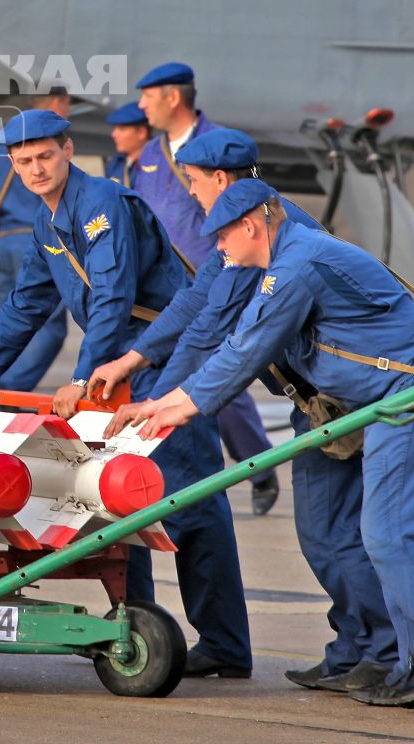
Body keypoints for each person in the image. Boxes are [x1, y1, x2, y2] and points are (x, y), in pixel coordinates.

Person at [128, 179, 414, 710]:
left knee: (395, 532)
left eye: (223, 236)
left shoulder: (294, 266)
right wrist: (167, 402)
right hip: (393, 400)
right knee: (385, 534)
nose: (220, 249)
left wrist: (172, 409)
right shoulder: (291, 256)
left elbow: (245, 348)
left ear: (251, 225)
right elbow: (229, 340)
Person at [0, 108, 255, 679]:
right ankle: (134, 627)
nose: (35, 169)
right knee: (122, 500)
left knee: (189, 500)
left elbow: (112, 297)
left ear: (66, 150)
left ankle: (226, 645)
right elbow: (27, 302)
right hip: (120, 364)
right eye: (24, 161)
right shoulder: (48, 220)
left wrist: (85, 381)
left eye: (45, 156)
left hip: (163, 357)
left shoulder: (102, 203)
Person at [96, 129, 399, 695]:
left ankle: (380, 651)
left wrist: (165, 402)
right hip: (323, 399)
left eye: (192, 181)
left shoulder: (259, 236)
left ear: (222, 181)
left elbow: (215, 333)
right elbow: (194, 299)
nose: (190, 193)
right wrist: (133, 358)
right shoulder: (257, 224)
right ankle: (356, 648)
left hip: (340, 400)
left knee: (333, 534)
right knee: (328, 533)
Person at [130, 60, 280, 513]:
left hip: (226, 274)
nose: (141, 105)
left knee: (214, 372)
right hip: (178, 287)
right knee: (204, 375)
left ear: (173, 96)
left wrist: (154, 404)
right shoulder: (151, 155)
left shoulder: (218, 149)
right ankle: (246, 465)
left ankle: (253, 464)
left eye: (148, 96)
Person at [0, 90, 71, 311]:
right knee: (47, 327)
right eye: (67, 104)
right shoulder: (47, 141)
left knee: (8, 322)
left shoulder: (6, 138)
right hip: (35, 242)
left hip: (2, 241)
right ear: (57, 101)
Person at [105, 101, 149, 187]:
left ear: (141, 133)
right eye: (115, 129)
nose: (114, 134)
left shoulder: (158, 162)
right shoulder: (116, 162)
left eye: (121, 129)